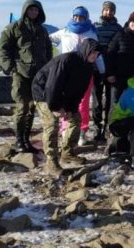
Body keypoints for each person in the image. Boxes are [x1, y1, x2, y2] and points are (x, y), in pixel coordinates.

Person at [32, 38, 101, 177]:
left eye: (97, 53)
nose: (95, 56)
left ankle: (67, 152)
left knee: (75, 119)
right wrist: (56, 107)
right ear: (85, 50)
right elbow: (52, 86)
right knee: (51, 124)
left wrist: (70, 108)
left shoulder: (88, 67)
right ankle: (51, 161)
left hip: (62, 95)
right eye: (92, 52)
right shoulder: (66, 61)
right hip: (43, 93)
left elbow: (79, 91)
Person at [0, 0, 53, 153]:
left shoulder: (42, 30)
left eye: (36, 10)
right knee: (22, 107)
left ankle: (27, 141)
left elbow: (48, 50)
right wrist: (11, 67)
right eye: (31, 10)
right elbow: (3, 49)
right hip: (21, 73)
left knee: (32, 108)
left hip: (38, 75)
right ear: (25, 11)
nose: (33, 13)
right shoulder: (14, 28)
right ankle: (19, 141)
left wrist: (48, 67)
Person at [50, 6, 105, 144]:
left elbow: (97, 54)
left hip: (85, 72)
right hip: (65, 72)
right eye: (76, 16)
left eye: (81, 17)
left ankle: (82, 131)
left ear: (86, 18)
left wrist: (103, 71)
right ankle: (65, 130)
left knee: (83, 103)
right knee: (65, 102)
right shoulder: (65, 30)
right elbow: (48, 38)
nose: (78, 19)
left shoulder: (91, 33)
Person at [93, 1, 123, 142]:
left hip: (112, 68)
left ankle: (108, 129)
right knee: (97, 101)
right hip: (96, 68)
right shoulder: (95, 26)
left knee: (111, 101)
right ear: (102, 11)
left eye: (111, 11)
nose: (108, 13)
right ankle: (97, 128)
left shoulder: (118, 28)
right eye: (106, 10)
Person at [106, 11, 134, 106]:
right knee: (116, 103)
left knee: (133, 103)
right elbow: (110, 54)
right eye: (133, 21)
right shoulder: (119, 35)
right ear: (128, 22)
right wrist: (110, 73)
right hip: (118, 77)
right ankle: (113, 121)